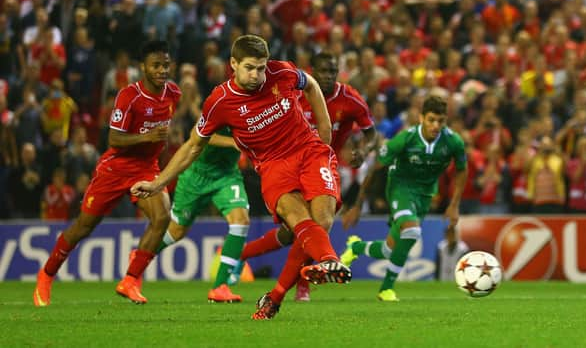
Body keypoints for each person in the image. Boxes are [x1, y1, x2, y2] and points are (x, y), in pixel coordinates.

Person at [131, 35, 351, 320]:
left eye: (261, 67)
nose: (256, 75)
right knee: (297, 222)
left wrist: (325, 131)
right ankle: (308, 275)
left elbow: (309, 84)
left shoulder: (280, 72)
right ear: (233, 64)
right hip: (272, 166)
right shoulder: (220, 101)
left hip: (308, 151)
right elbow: (193, 145)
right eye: (249, 67)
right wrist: (158, 182)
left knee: (322, 220)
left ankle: (304, 278)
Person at [33, 40, 181, 307]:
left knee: (161, 217)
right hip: (115, 168)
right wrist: (146, 136)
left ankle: (131, 280)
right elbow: (114, 139)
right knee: (83, 227)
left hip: (146, 168)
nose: (162, 70)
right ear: (143, 68)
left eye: (166, 65)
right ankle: (46, 274)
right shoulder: (129, 96)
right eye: (156, 65)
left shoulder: (173, 93)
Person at [232, 51, 377, 302]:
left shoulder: (350, 98)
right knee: (296, 231)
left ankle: (298, 284)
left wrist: (363, 150)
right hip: (289, 164)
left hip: (321, 162)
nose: (329, 76)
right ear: (313, 71)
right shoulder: (295, 92)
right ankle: (241, 256)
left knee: (315, 225)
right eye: (324, 71)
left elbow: (371, 133)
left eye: (333, 71)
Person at [340, 95, 468, 301]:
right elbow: (374, 170)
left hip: (425, 195)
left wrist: (454, 204)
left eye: (440, 121)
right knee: (412, 230)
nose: (436, 126)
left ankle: (355, 247)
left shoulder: (453, 142)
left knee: (388, 250)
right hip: (400, 188)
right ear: (421, 118)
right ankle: (386, 289)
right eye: (431, 120)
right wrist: (357, 205)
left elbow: (462, 170)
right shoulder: (404, 139)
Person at [155, 126, 250, 303]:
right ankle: (143, 255)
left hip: (226, 175)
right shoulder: (221, 103)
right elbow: (198, 135)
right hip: (197, 175)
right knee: (176, 232)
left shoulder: (254, 110)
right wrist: (233, 142)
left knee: (241, 221)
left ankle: (220, 286)